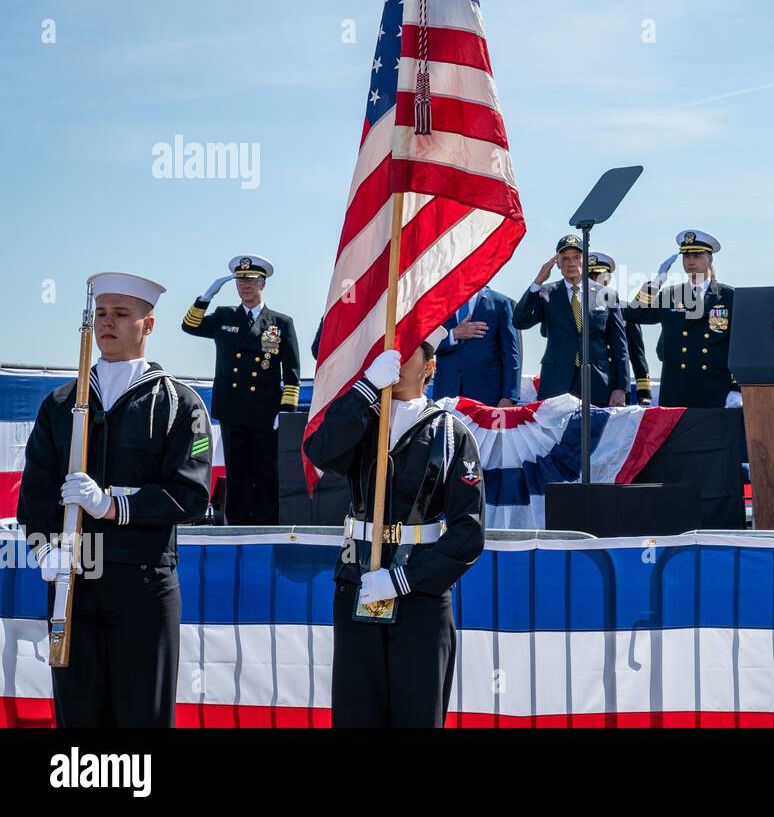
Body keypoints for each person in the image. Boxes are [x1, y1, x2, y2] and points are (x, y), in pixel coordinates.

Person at [18, 272, 213, 727]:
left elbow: (191, 494)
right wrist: (44, 546)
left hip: (142, 581)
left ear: (148, 325)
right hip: (74, 578)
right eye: (101, 313)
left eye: (122, 314)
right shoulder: (61, 403)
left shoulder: (178, 404)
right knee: (78, 714)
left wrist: (113, 506)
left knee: (141, 713)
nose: (108, 323)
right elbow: (37, 490)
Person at [303, 342, 485, 728]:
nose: (397, 360)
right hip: (359, 582)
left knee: (417, 714)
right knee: (357, 714)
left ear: (430, 366)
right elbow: (319, 449)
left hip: (420, 596)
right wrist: (366, 388)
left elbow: (468, 532)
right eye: (391, 351)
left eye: (408, 352)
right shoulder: (363, 420)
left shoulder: (451, 432)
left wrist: (403, 580)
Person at [181, 254, 301, 524]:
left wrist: (285, 412)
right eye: (240, 281)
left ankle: (267, 526)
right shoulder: (224, 316)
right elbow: (189, 326)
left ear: (263, 284)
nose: (245, 286)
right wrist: (205, 297)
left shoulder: (280, 323)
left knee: (266, 473)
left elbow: (292, 374)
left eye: (251, 281)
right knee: (238, 474)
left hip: (265, 413)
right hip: (232, 410)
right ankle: (236, 526)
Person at [626, 230, 742, 409]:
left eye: (697, 255)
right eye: (686, 256)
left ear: (709, 259)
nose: (691, 261)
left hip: (714, 391)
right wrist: (655, 284)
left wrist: (736, 387)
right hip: (676, 393)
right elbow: (634, 315)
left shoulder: (728, 296)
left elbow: (738, 344)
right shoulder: (670, 294)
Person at [512, 234, 628, 406]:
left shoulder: (607, 294)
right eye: (565, 258)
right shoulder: (546, 293)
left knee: (596, 432)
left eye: (576, 257)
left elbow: (619, 345)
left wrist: (621, 387)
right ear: (557, 263)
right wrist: (537, 282)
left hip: (597, 382)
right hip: (556, 384)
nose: (571, 263)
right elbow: (519, 321)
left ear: (585, 260)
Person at [430, 285, 521, 407]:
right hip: (446, 394)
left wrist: (508, 397)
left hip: (487, 397)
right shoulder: (437, 303)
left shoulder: (501, 303)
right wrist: (454, 334)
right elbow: (426, 344)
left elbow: (511, 354)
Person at [588, 252, 652, 405]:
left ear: (608, 278)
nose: (594, 279)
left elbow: (636, 353)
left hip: (614, 384)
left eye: (598, 275)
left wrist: (643, 392)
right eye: (590, 275)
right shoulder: (576, 306)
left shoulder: (623, 308)